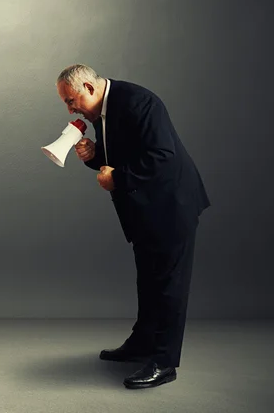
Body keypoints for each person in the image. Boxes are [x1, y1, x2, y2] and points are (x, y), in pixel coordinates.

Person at [55, 64, 210, 389]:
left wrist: (119, 178)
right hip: (145, 211)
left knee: (170, 287)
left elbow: (163, 156)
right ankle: (142, 344)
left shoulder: (139, 102)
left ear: (88, 87)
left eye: (71, 100)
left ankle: (165, 363)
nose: (70, 109)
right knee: (150, 281)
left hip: (171, 206)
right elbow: (122, 155)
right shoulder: (104, 112)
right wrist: (94, 156)